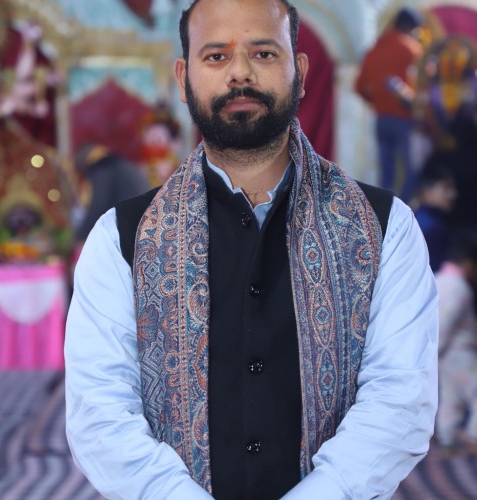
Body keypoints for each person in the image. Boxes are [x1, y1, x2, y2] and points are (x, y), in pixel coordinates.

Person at [65, 1, 438, 499]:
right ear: (183, 77)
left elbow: (400, 400)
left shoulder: (385, 228)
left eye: (263, 53)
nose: (240, 72)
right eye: (216, 56)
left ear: (299, 72)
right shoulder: (121, 239)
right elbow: (101, 414)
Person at [355, 7, 425, 203]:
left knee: (386, 172)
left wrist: (377, 101)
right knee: (412, 168)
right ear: (410, 27)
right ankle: (405, 210)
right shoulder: (412, 49)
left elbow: (359, 86)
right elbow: (423, 83)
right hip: (405, 119)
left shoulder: (373, 51)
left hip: (381, 118)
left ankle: (384, 212)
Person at [435, 230, 477, 455]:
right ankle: (474, 436)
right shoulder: (457, 286)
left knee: (451, 397)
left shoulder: (439, 279)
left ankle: (447, 439)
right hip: (459, 352)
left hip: (445, 354)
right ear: (470, 264)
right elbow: (444, 322)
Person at [72, 143, 150, 243]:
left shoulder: (102, 169)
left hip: (132, 231)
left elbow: (98, 206)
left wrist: (79, 237)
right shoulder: (119, 165)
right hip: (142, 227)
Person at [413, 163, 457, 272]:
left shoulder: (413, 217)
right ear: (427, 192)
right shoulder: (433, 228)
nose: (453, 194)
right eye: (446, 188)